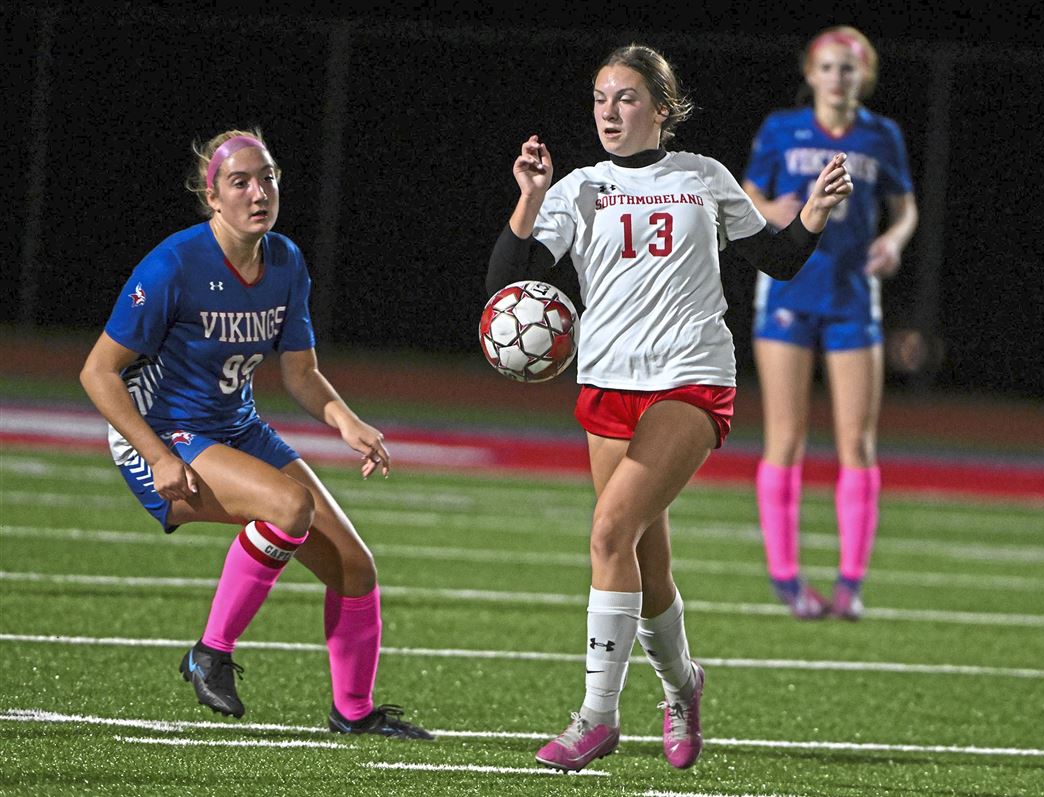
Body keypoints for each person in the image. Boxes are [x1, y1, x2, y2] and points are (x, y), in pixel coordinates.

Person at [486, 43, 851, 772]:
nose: (609, 112)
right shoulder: (579, 187)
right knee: (642, 564)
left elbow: (775, 259)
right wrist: (529, 197)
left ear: (661, 108)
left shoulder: (702, 177)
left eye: (625, 98)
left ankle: (596, 716)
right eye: (599, 98)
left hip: (691, 378)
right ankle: (684, 687)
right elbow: (508, 285)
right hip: (607, 386)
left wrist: (809, 216)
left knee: (608, 530)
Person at [78, 128, 433, 740]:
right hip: (166, 432)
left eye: (266, 176)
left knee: (355, 567)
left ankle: (353, 712)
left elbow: (301, 372)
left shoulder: (286, 261)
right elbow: (96, 372)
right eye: (239, 181)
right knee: (289, 506)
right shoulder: (173, 265)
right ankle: (210, 652)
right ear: (212, 196)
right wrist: (155, 454)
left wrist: (345, 419)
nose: (257, 191)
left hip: (235, 426)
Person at [742, 26, 919, 621]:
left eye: (848, 68)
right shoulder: (780, 129)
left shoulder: (882, 135)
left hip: (851, 296)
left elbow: (905, 207)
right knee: (786, 438)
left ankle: (850, 583)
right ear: (811, 73)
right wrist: (776, 212)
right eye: (827, 67)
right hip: (789, 290)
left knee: (858, 442)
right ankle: (787, 578)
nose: (837, 78)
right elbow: (749, 195)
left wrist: (893, 241)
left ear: (862, 76)